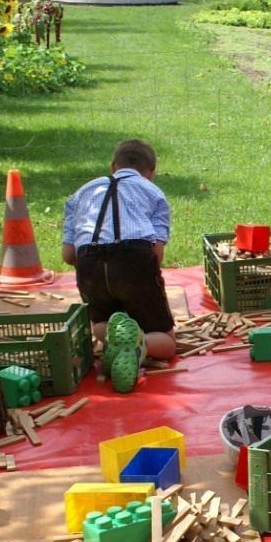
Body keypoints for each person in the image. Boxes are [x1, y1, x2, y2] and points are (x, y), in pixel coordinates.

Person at [61, 139, 176, 389]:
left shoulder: (81, 192)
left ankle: (115, 339)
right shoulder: (153, 192)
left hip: (89, 264)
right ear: (151, 173)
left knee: (101, 324)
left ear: (112, 166)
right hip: (134, 260)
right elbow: (156, 255)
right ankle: (138, 343)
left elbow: (68, 255)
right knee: (167, 343)